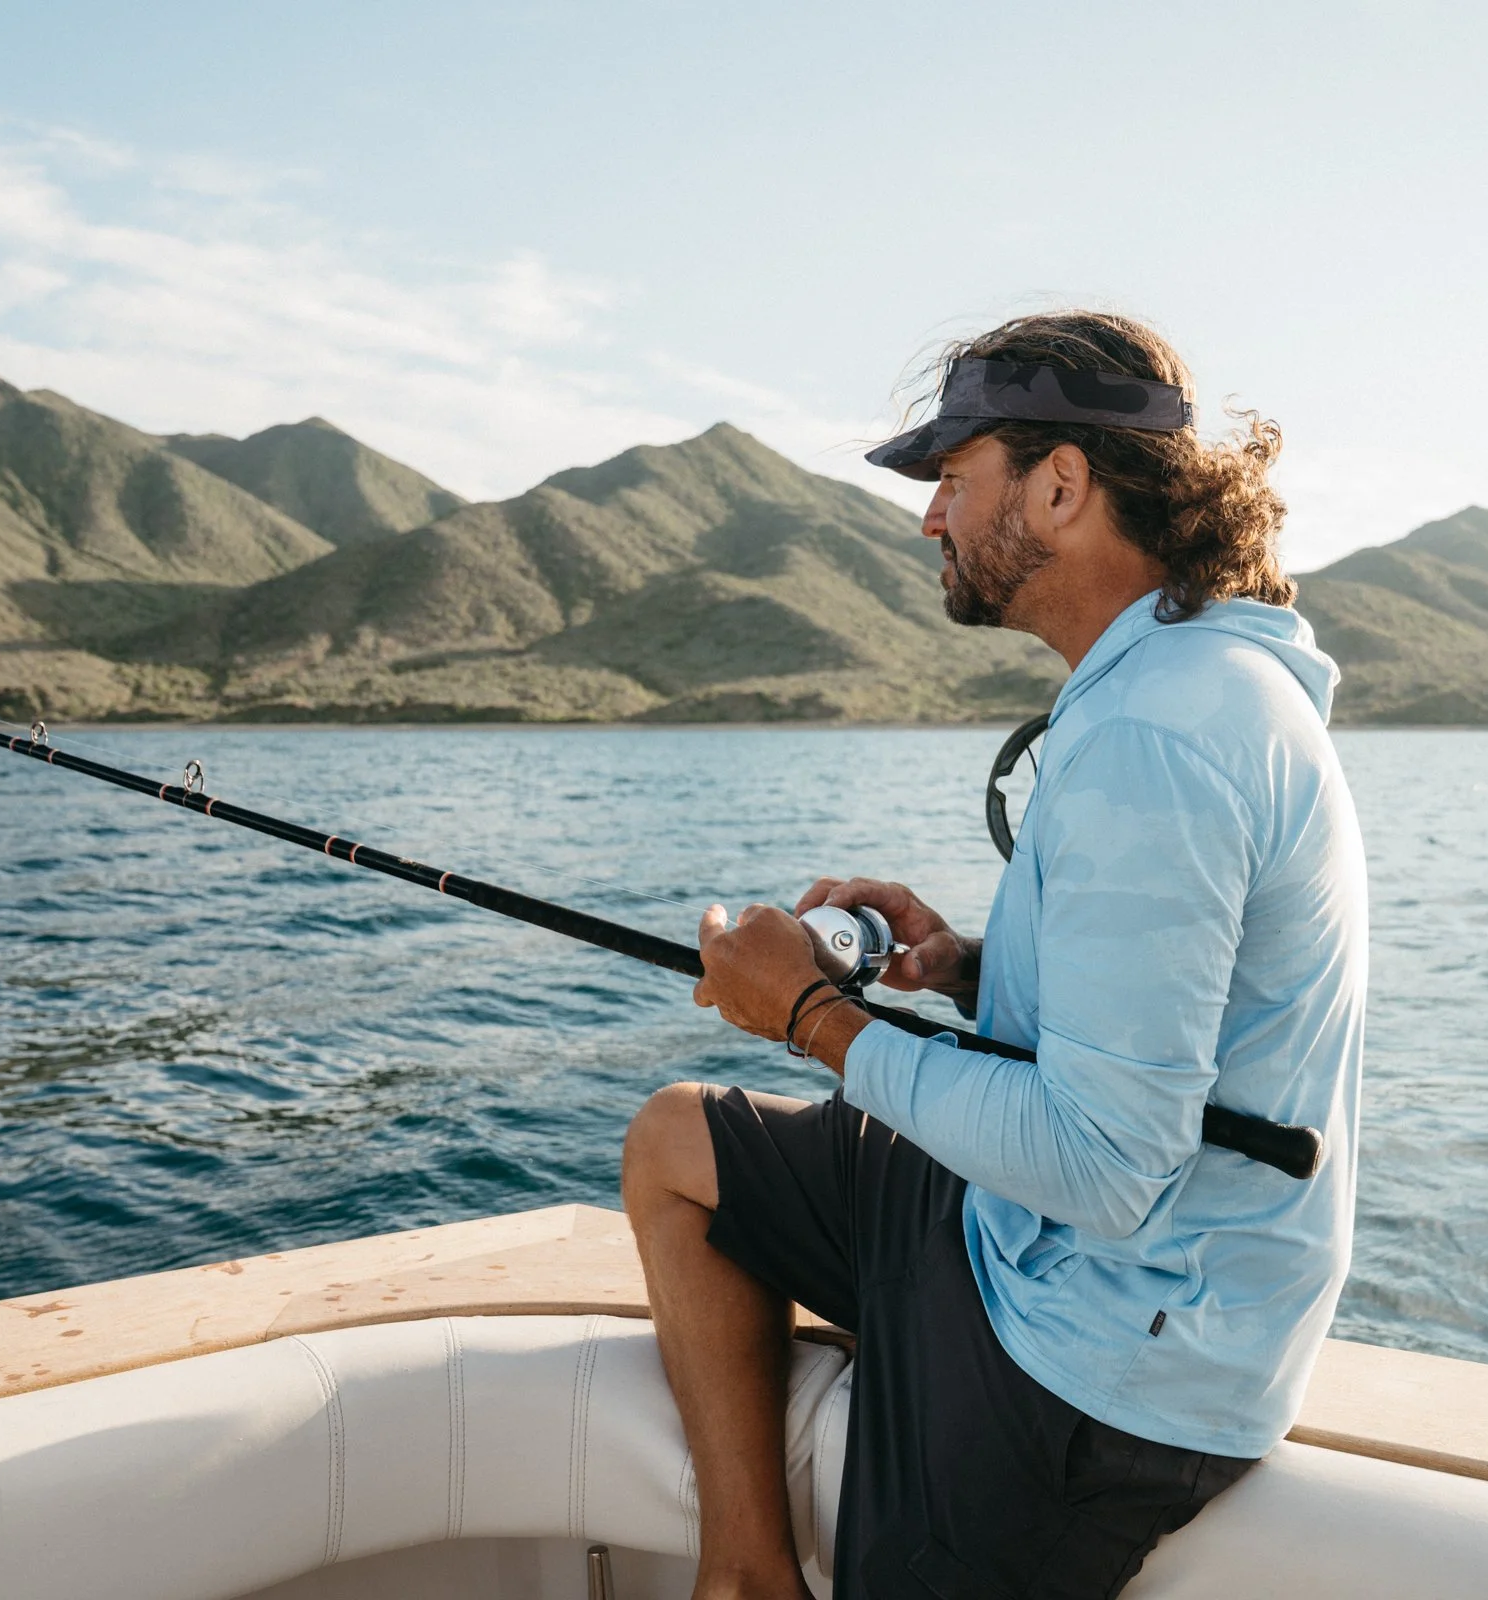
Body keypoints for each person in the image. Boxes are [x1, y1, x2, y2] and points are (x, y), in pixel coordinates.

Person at [620, 310, 1368, 1600]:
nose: (931, 522)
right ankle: (746, 1577)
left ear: (1062, 486)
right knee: (679, 1148)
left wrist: (810, 1017)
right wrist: (965, 967)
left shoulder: (1163, 738)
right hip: (1049, 1242)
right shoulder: (1179, 690)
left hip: (1107, 1349)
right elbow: (1164, 1020)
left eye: (954, 482)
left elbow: (1104, 1162)